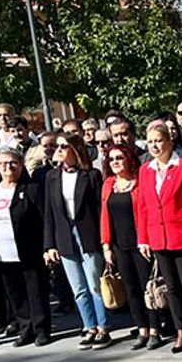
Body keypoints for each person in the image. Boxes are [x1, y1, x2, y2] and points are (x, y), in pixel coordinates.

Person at [137, 123, 182, 354]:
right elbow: (143, 207)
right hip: (158, 238)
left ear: (169, 142)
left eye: (159, 140)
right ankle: (180, 329)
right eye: (151, 141)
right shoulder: (145, 170)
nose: (155, 145)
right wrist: (143, 239)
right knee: (171, 287)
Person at [42, 132, 111, 348]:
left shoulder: (91, 175)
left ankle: (103, 328)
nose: (59, 150)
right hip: (65, 236)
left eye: (64, 146)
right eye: (57, 146)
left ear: (76, 149)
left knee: (94, 284)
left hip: (88, 234)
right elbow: (49, 214)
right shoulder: (52, 177)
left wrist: (105, 241)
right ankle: (89, 327)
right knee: (78, 287)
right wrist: (49, 245)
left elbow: (100, 210)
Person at [0, 148, 50, 346]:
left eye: (13, 163)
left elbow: (44, 218)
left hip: (28, 250)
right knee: (15, 293)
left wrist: (47, 246)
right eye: (3, 164)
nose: (8, 167)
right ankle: (25, 328)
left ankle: (41, 329)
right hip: (1, 252)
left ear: (21, 165)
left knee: (36, 291)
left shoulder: (31, 188)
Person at [100, 144, 163, 350]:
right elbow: (104, 217)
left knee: (148, 287)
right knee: (131, 289)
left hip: (140, 243)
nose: (115, 162)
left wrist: (147, 240)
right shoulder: (109, 184)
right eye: (111, 159)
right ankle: (142, 329)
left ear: (128, 158)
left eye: (119, 157)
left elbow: (147, 212)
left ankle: (155, 329)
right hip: (119, 245)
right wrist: (106, 246)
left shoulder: (139, 182)